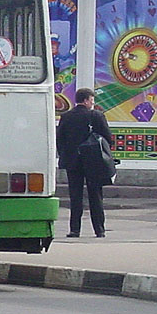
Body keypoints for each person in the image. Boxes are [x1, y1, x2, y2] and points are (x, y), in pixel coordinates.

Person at [55, 87, 113, 238]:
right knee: (96, 195)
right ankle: (99, 229)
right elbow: (108, 139)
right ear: (86, 100)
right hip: (94, 162)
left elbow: (60, 139)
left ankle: (75, 229)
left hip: (73, 162)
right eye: (92, 100)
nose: (92, 103)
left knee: (75, 195)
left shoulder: (66, 117)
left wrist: (65, 156)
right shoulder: (97, 116)